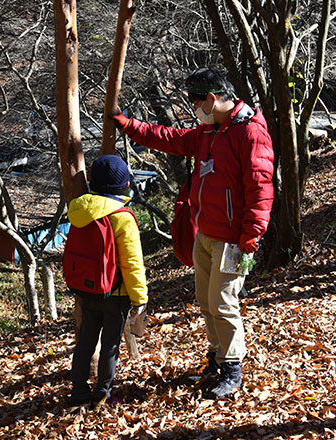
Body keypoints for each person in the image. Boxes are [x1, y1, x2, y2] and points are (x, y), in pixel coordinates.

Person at [109, 67, 274, 399]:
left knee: (223, 302)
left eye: (197, 104)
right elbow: (170, 138)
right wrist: (130, 126)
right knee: (205, 301)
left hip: (233, 240)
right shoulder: (208, 132)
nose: (195, 112)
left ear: (212, 100)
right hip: (206, 234)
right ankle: (216, 359)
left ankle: (232, 368)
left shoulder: (250, 134)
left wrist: (252, 233)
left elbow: (261, 187)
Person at [69, 154, 148, 408]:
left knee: (86, 342)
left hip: (87, 289)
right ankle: (103, 393)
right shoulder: (123, 217)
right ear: (123, 186)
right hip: (116, 293)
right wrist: (140, 299)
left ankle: (79, 392)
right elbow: (131, 263)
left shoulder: (80, 211)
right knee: (110, 345)